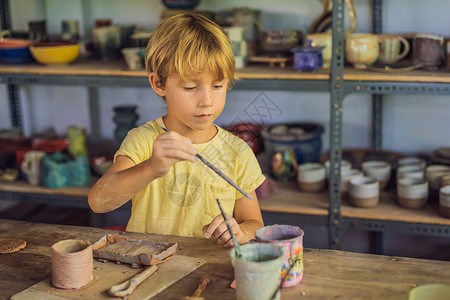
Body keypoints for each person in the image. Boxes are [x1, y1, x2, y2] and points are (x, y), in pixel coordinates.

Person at [88, 13, 265, 247]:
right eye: (191, 87)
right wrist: (151, 167)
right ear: (159, 84)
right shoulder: (144, 141)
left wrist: (240, 232)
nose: (207, 100)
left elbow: (255, 223)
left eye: (217, 85)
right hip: (148, 266)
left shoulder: (238, 152)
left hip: (208, 271)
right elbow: (99, 202)